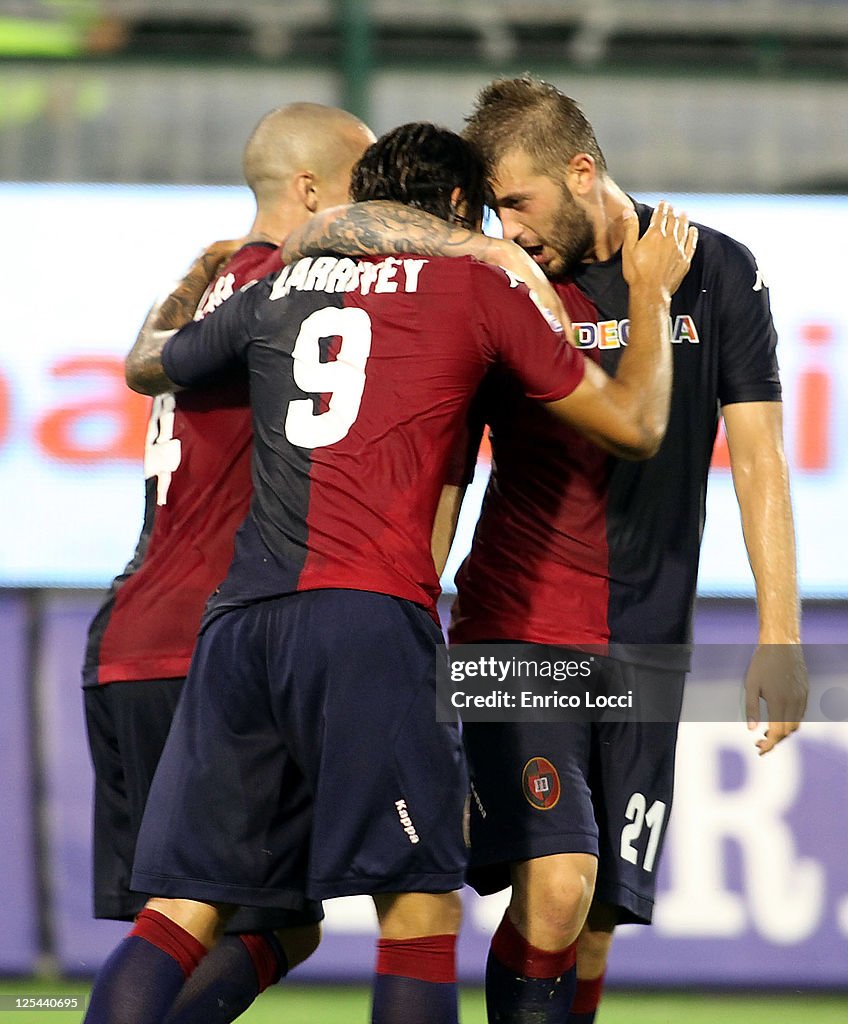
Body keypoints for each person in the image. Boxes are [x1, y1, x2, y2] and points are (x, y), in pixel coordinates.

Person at [81, 122, 695, 1024]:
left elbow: (145, 364)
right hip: (366, 616)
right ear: (457, 206)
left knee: (179, 910)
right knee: (417, 910)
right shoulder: (474, 287)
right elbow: (636, 426)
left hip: (241, 622)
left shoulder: (275, 286)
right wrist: (646, 296)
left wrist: (191, 281)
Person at [279, 77, 808, 1024]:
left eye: (517, 203)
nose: (509, 229)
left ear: (581, 169)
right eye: (493, 211)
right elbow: (445, 467)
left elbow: (760, 457)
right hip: (514, 629)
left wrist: (781, 633)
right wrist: (408, 610)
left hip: (648, 641)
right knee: (558, 886)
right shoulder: (499, 289)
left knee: (595, 917)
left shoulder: (718, 270)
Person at [81, 101, 375, 1024]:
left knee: (171, 922)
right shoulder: (295, 297)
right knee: (278, 924)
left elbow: (147, 359)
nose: (374, 213)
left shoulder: (207, 295)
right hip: (217, 653)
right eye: (363, 187)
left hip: (124, 643)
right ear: (310, 190)